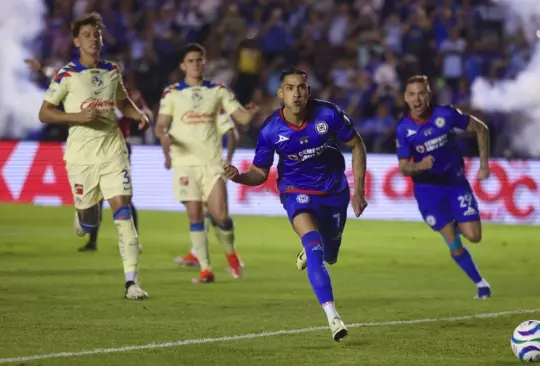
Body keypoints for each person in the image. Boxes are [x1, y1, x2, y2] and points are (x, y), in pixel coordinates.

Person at [224, 67, 368, 341]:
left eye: (301, 87)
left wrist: (358, 191)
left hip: (335, 191)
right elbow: (260, 172)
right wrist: (240, 177)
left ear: (308, 91)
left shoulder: (328, 114)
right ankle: (333, 317)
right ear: (281, 93)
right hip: (296, 191)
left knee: (330, 255)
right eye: (290, 88)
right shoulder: (270, 130)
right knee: (315, 247)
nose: (296, 93)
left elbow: (357, 144)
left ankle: (313, 248)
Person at [38, 12, 150, 300]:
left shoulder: (112, 70)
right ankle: (83, 217)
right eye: (87, 35)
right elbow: (45, 112)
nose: (93, 39)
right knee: (89, 222)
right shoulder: (66, 74)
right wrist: (76, 115)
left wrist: (138, 116)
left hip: (113, 148)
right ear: (76, 41)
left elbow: (122, 103)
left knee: (123, 210)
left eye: (97, 34)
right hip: (81, 155)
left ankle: (131, 283)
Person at [155, 43, 259, 284]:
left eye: (199, 60)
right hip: (184, 163)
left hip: (213, 164)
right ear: (183, 65)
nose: (196, 64)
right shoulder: (171, 93)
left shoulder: (218, 91)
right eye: (191, 60)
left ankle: (232, 255)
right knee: (194, 214)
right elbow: (161, 125)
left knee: (221, 215)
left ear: (205, 63)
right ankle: (206, 269)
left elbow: (240, 117)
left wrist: (250, 113)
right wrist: (165, 140)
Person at [395, 75, 491, 299]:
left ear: (429, 95)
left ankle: (456, 221)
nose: (417, 99)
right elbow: (403, 168)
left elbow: (481, 128)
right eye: (412, 95)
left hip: (455, 184)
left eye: (421, 93)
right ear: (405, 98)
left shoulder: (446, 115)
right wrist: (420, 165)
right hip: (428, 191)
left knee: (474, 236)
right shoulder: (404, 129)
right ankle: (481, 284)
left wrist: (484, 164)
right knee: (454, 243)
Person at [78, 61, 153, 252]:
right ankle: (92, 242)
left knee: (122, 195)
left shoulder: (129, 94)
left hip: (120, 147)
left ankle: (133, 240)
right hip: (98, 147)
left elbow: (147, 113)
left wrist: (140, 114)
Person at [175, 110, 240, 269]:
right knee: (201, 212)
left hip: (212, 168)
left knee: (218, 215)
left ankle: (232, 257)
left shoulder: (214, 107)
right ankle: (198, 256)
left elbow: (233, 134)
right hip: (191, 168)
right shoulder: (181, 105)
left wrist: (228, 160)